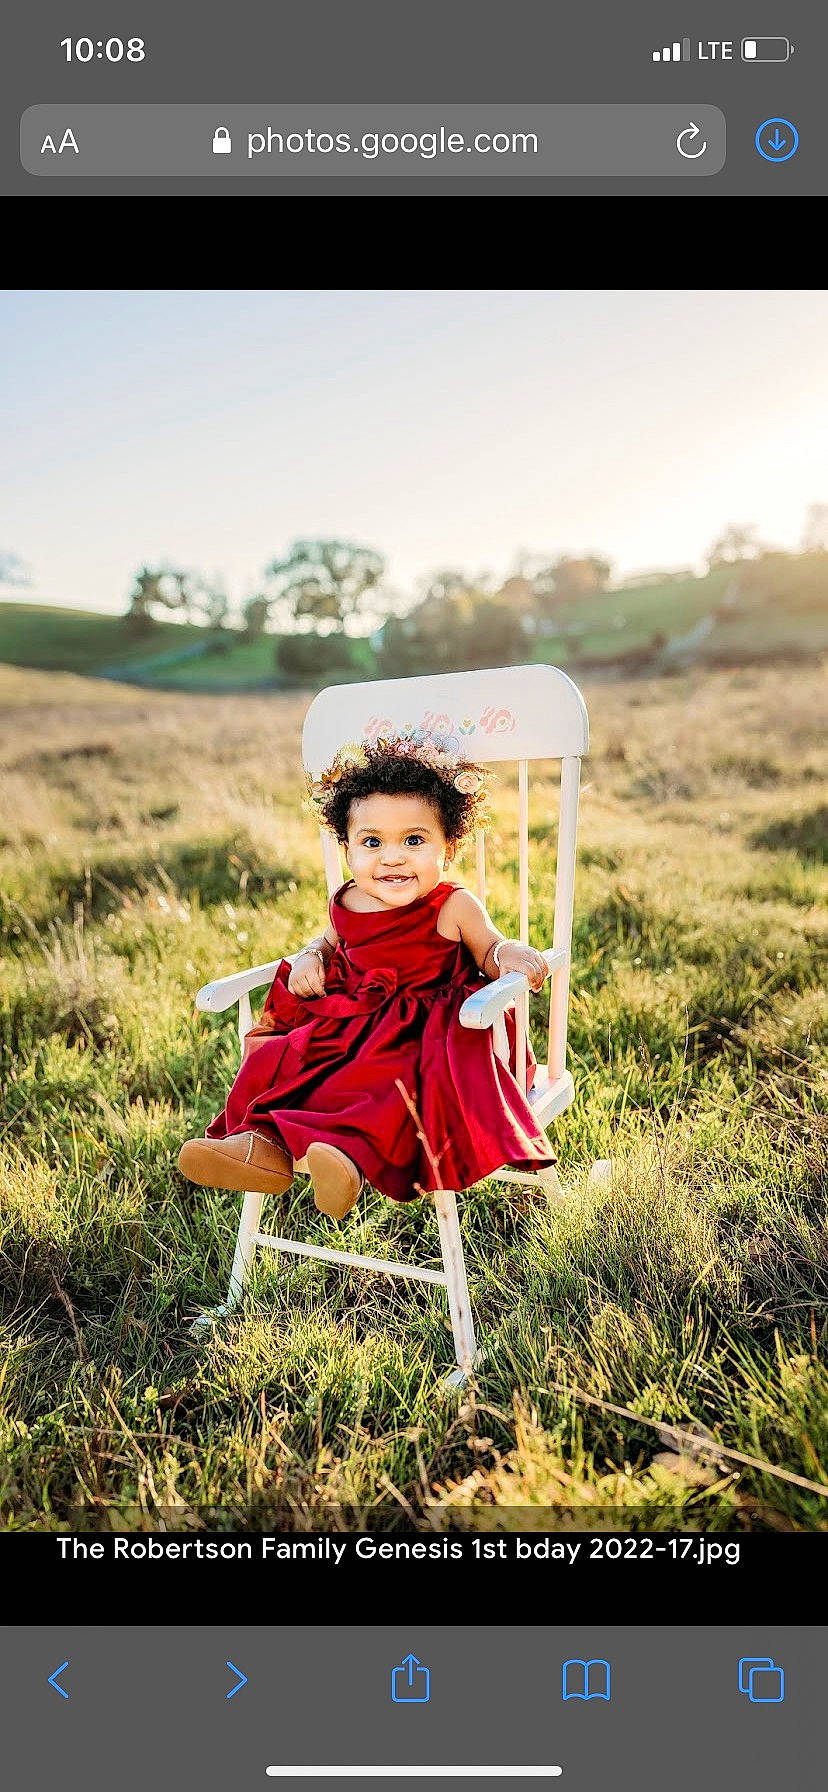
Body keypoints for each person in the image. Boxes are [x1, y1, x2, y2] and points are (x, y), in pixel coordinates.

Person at [178, 730, 558, 1220]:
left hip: (433, 1033)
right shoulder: (348, 901)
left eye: (414, 840)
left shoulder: (453, 905)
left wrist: (508, 953)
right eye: (372, 841)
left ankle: (348, 1160)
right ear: (348, 847)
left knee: (387, 1080)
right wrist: (311, 956)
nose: (392, 856)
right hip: (356, 1020)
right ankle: (262, 1146)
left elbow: (488, 951)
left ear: (450, 845)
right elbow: (328, 941)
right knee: (294, 1062)